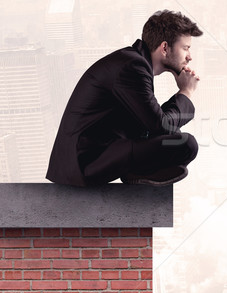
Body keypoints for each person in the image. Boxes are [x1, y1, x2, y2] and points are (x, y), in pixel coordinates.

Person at [46, 10, 202, 186]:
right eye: (186, 48)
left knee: (176, 135)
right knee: (187, 144)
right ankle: (139, 173)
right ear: (165, 48)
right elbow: (160, 125)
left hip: (97, 154)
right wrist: (186, 91)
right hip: (85, 163)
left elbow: (154, 123)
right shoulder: (133, 66)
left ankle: (139, 173)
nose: (190, 57)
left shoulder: (133, 62)